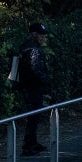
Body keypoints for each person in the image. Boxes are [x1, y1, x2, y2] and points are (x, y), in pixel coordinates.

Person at [13, 22, 51, 155]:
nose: (43, 37)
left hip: (26, 86)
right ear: (34, 35)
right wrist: (46, 81)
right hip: (32, 87)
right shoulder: (34, 49)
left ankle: (32, 142)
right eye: (41, 35)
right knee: (34, 116)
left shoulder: (25, 46)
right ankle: (28, 146)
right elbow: (36, 68)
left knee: (33, 115)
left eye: (44, 35)